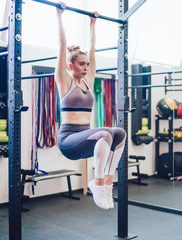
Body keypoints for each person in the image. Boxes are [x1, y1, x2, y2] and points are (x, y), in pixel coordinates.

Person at [55, 2, 126, 210]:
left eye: (87, 64)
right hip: (69, 140)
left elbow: (93, 49)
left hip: (86, 138)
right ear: (71, 66)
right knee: (105, 133)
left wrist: (92, 24)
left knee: (119, 133)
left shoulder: (88, 80)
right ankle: (96, 182)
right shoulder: (64, 81)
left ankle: (106, 183)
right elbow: (61, 44)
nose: (86, 67)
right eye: (81, 64)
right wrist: (59, 16)